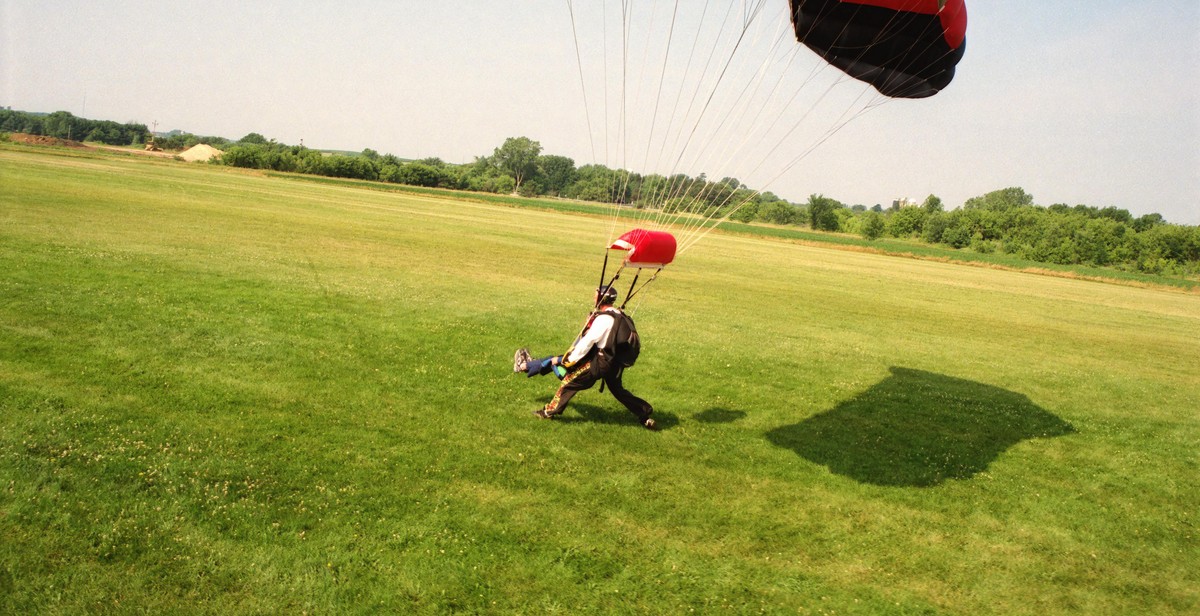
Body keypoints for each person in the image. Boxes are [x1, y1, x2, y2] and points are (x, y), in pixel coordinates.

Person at [513, 285, 656, 430]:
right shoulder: (619, 314)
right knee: (618, 391)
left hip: (600, 363)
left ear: (602, 298)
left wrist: (567, 360)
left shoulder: (604, 319)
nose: (594, 298)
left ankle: (548, 411)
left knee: (568, 381)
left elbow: (587, 343)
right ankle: (645, 415)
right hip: (615, 363)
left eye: (596, 295)